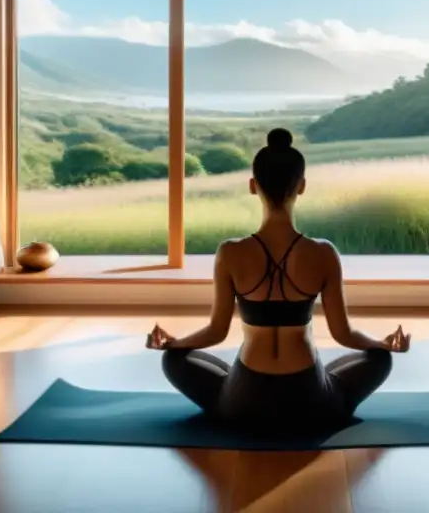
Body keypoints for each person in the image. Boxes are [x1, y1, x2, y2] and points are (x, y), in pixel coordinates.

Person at [146, 127, 410, 435]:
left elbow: (216, 332)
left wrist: (173, 343)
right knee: (379, 360)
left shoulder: (230, 253)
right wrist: (383, 345)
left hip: (243, 403)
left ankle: (228, 392)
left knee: (174, 360)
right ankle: (328, 391)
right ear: (301, 187)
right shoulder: (323, 253)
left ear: (252, 186)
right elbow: (344, 334)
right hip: (311, 401)